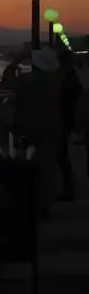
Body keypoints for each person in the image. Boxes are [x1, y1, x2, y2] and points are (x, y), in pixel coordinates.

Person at [57, 48, 81, 200]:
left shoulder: (68, 79)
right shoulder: (73, 78)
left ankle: (68, 187)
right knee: (62, 155)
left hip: (63, 121)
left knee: (61, 156)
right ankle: (69, 186)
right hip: (67, 121)